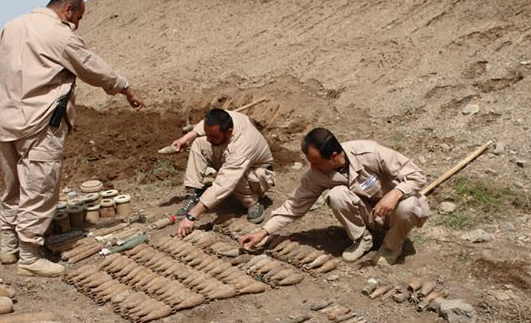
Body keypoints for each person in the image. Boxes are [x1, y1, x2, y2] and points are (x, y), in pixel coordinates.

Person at [0, 0, 145, 277]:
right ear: (68, 10)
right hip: (40, 124)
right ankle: (29, 257)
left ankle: (8, 247)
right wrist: (125, 87)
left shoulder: (11, 26)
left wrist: (4, 106)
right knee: (40, 188)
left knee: (13, 187)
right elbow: (91, 67)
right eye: (79, 17)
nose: (78, 24)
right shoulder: (59, 34)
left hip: (7, 123)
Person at [238, 127, 430, 265]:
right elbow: (294, 205)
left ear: (334, 155)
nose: (312, 167)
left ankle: (391, 246)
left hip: (394, 215)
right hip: (369, 214)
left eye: (316, 162)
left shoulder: (369, 153)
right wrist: (263, 232)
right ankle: (362, 238)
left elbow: (418, 175)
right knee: (337, 195)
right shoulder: (317, 174)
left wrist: (396, 193)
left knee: (409, 206)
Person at [171, 108, 275, 238]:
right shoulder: (226, 118)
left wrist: (192, 216)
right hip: (233, 159)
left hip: (259, 175)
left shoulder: (243, 145)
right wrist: (186, 138)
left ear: (229, 131)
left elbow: (224, 183)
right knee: (199, 142)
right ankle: (193, 194)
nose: (208, 139)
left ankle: (253, 202)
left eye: (213, 136)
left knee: (233, 177)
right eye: (208, 134)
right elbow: (207, 124)